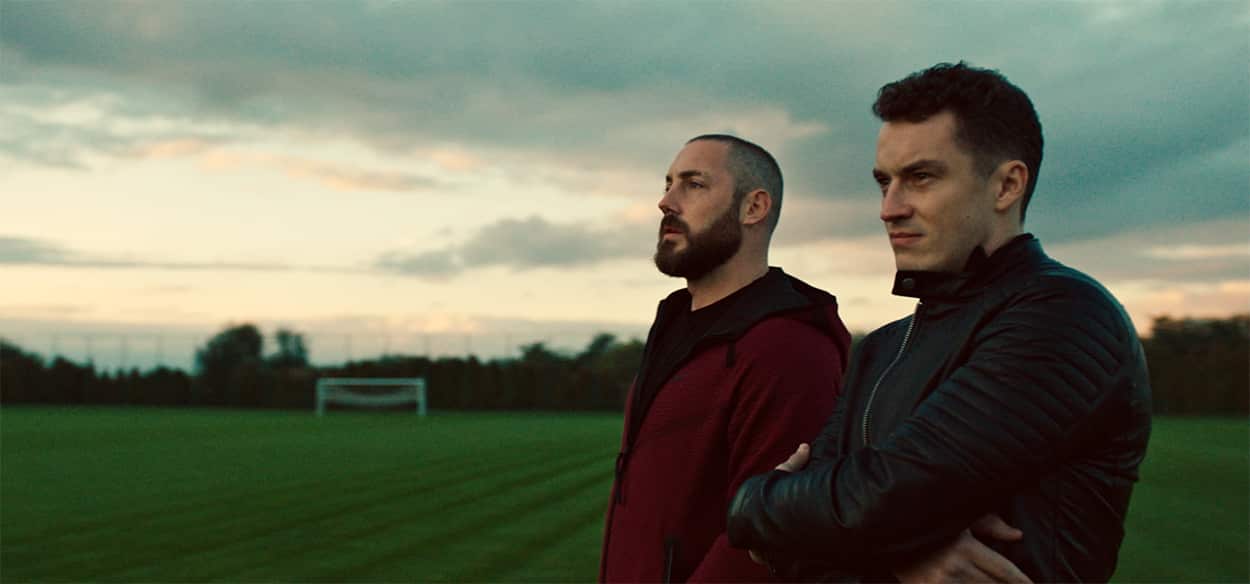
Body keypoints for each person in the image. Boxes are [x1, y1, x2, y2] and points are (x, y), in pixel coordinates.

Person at [727, 62, 1153, 582]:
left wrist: (753, 502)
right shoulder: (884, 347)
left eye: (921, 178)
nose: (889, 208)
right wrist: (893, 552)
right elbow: (816, 534)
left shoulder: (1065, 316)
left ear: (1006, 186)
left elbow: (885, 497)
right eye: (884, 182)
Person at [599, 134, 852, 582]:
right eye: (668, 183)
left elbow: (764, 539)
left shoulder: (789, 348)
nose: (665, 201)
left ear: (753, 207)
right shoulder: (674, 325)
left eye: (694, 184)